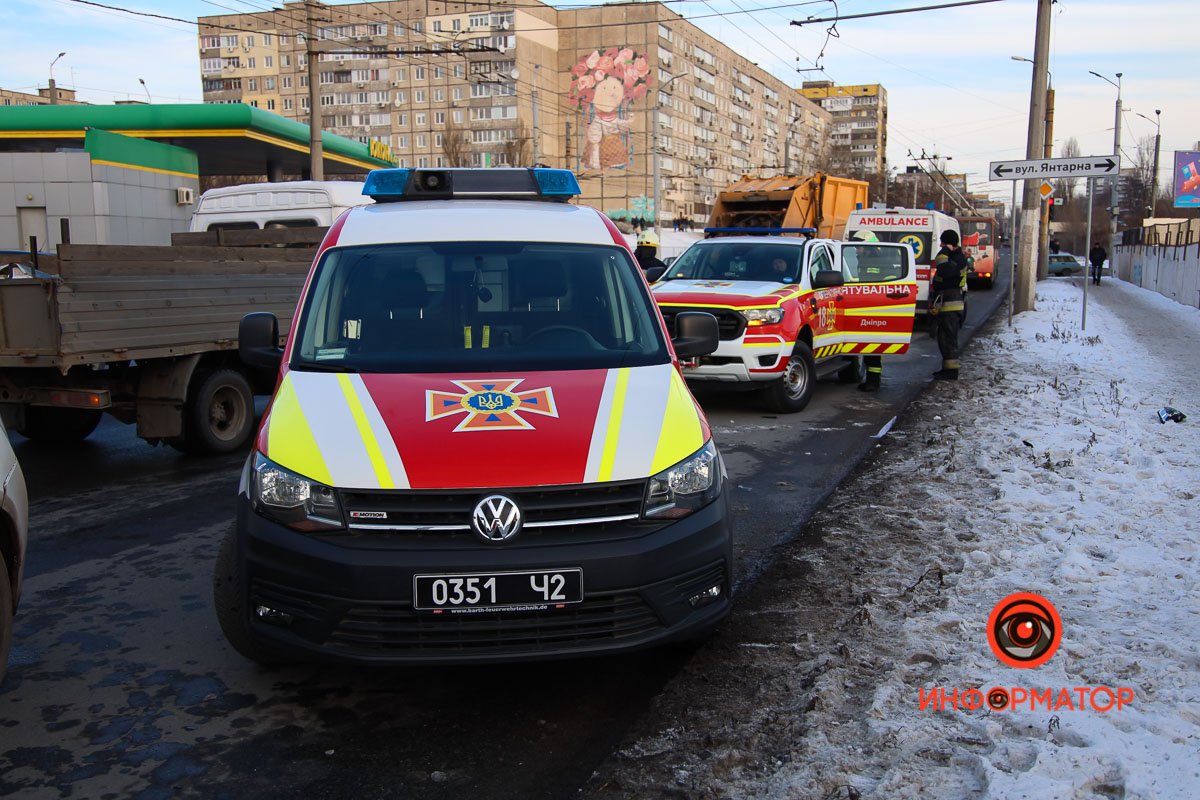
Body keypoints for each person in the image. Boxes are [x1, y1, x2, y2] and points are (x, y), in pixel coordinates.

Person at [931, 229, 968, 381]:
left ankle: (952, 372)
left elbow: (944, 269)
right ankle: (946, 369)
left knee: (949, 339)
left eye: (943, 243)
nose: (940, 245)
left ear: (949, 244)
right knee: (943, 338)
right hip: (944, 302)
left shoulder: (958, 258)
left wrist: (945, 250)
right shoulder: (952, 256)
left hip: (952, 304)